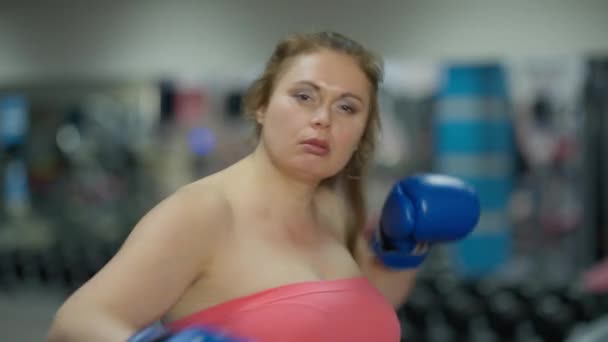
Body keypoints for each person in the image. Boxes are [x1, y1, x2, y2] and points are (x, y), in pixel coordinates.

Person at [48, 31, 479, 342]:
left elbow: (364, 312)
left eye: (347, 107)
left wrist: (401, 251)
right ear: (260, 106)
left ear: (362, 129)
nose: (323, 119)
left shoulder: (334, 211)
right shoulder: (203, 212)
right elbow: (74, 324)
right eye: (304, 96)